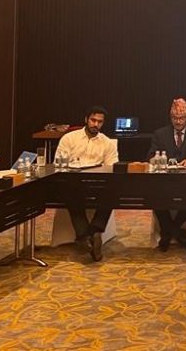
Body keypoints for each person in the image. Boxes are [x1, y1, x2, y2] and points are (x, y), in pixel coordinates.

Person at [58, 106, 120, 262]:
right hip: (73, 181)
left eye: (100, 122)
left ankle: (93, 231)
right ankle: (87, 235)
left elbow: (112, 168)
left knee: (113, 190)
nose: (96, 124)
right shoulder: (69, 138)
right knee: (70, 191)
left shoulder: (107, 143)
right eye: (93, 120)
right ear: (86, 119)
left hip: (97, 183)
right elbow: (59, 163)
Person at [146, 98, 186, 252]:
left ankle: (169, 231)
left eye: (181, 118)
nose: (178, 122)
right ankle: (178, 234)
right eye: (175, 118)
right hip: (165, 180)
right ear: (170, 117)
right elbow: (150, 156)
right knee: (153, 194)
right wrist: (160, 160)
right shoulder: (160, 134)